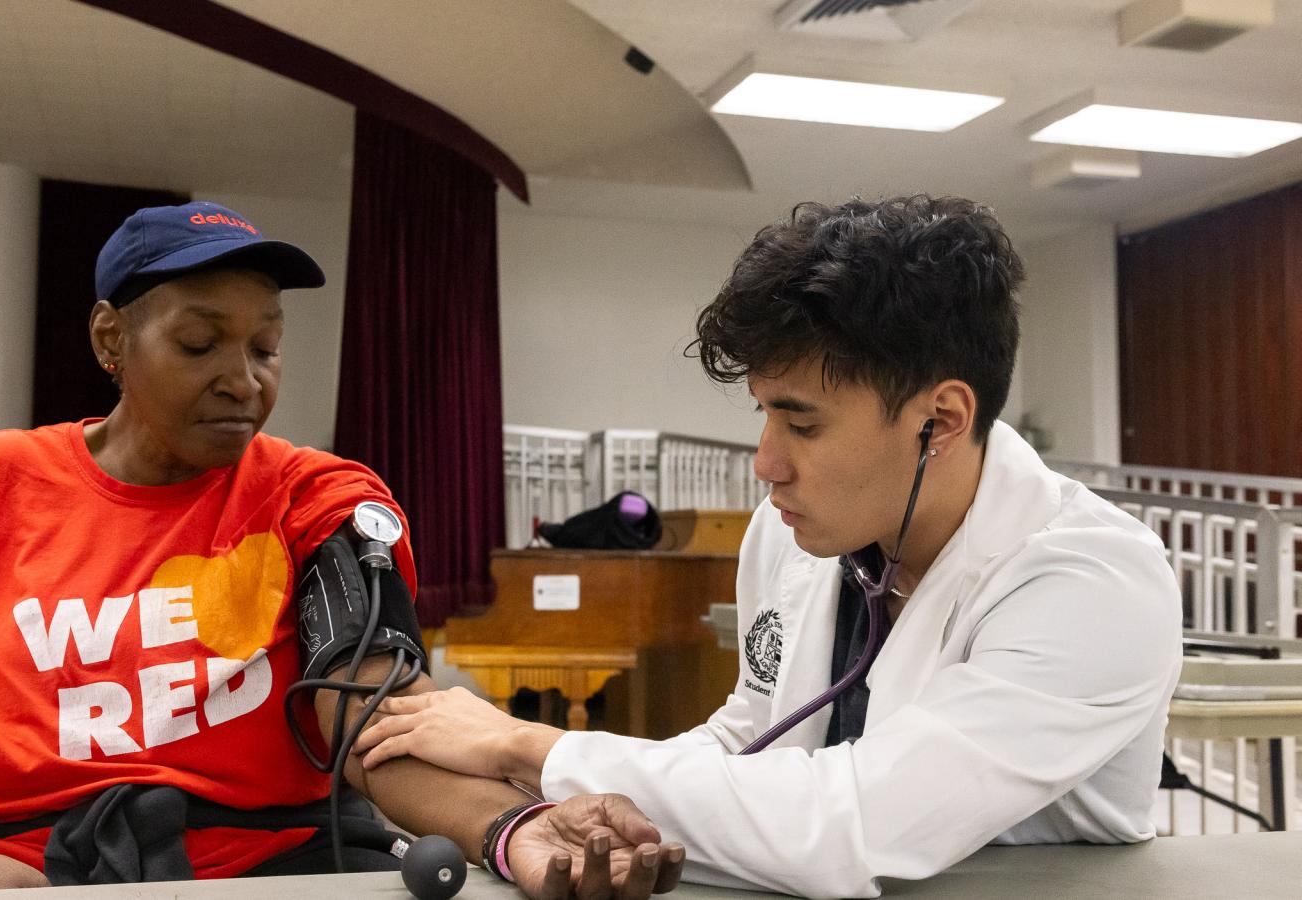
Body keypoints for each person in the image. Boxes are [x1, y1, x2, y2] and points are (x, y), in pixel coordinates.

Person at [0, 201, 684, 898]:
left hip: (265, 870)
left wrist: (515, 828)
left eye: (266, 347)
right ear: (110, 341)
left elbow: (375, 717)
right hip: (7, 869)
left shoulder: (319, 498)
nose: (245, 379)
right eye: (201, 345)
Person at [354, 196, 1183, 897]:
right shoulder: (790, 538)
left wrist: (529, 744)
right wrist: (590, 802)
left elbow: (850, 823)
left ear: (940, 421)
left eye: (802, 421)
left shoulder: (1093, 580)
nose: (765, 462)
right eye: (762, 412)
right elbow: (751, 738)